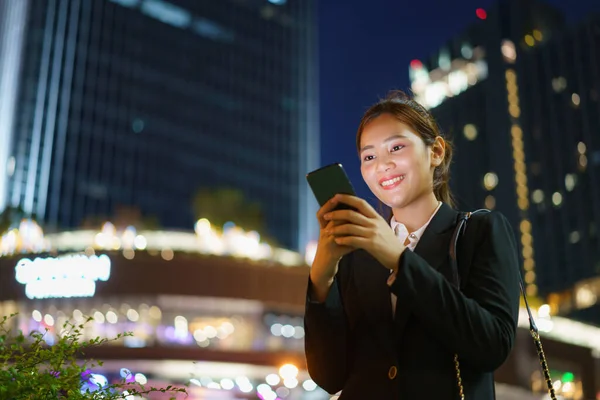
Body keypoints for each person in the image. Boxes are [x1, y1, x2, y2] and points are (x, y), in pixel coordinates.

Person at [304, 90, 521, 399]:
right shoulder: (355, 257)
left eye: (396, 147)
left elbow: (492, 346)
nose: (382, 164)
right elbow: (330, 376)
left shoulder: (480, 232)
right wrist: (321, 276)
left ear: (436, 152)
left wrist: (397, 258)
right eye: (369, 156)